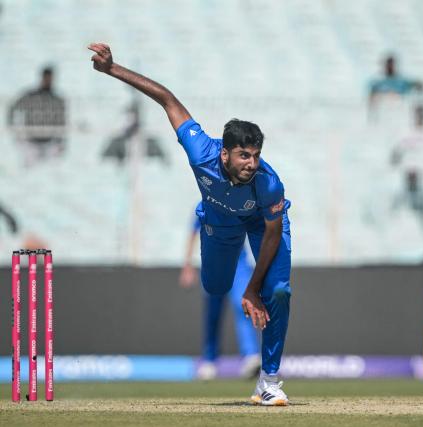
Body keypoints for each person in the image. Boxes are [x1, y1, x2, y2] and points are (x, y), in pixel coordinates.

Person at [89, 42, 292, 406]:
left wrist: (254, 287)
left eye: (257, 155)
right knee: (215, 287)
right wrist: (112, 69)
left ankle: (270, 380)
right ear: (225, 153)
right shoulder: (201, 152)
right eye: (244, 155)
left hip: (262, 224)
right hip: (219, 223)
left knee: (278, 291)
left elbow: (273, 234)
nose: (251, 163)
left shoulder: (269, 182)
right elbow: (167, 98)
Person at [180, 203, 261, 380]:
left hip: (240, 264)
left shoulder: (241, 202)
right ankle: (209, 360)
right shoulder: (205, 204)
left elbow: (256, 228)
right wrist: (187, 265)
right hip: (213, 263)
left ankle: (251, 356)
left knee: (244, 306)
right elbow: (193, 232)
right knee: (213, 313)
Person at [7, 66, 67, 164]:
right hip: (31, 143)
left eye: (51, 78)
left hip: (50, 143)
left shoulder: (57, 99)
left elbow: (62, 122)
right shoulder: (30, 96)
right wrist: (15, 131)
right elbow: (13, 108)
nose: (49, 81)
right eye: (47, 78)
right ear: (42, 77)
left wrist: (61, 141)